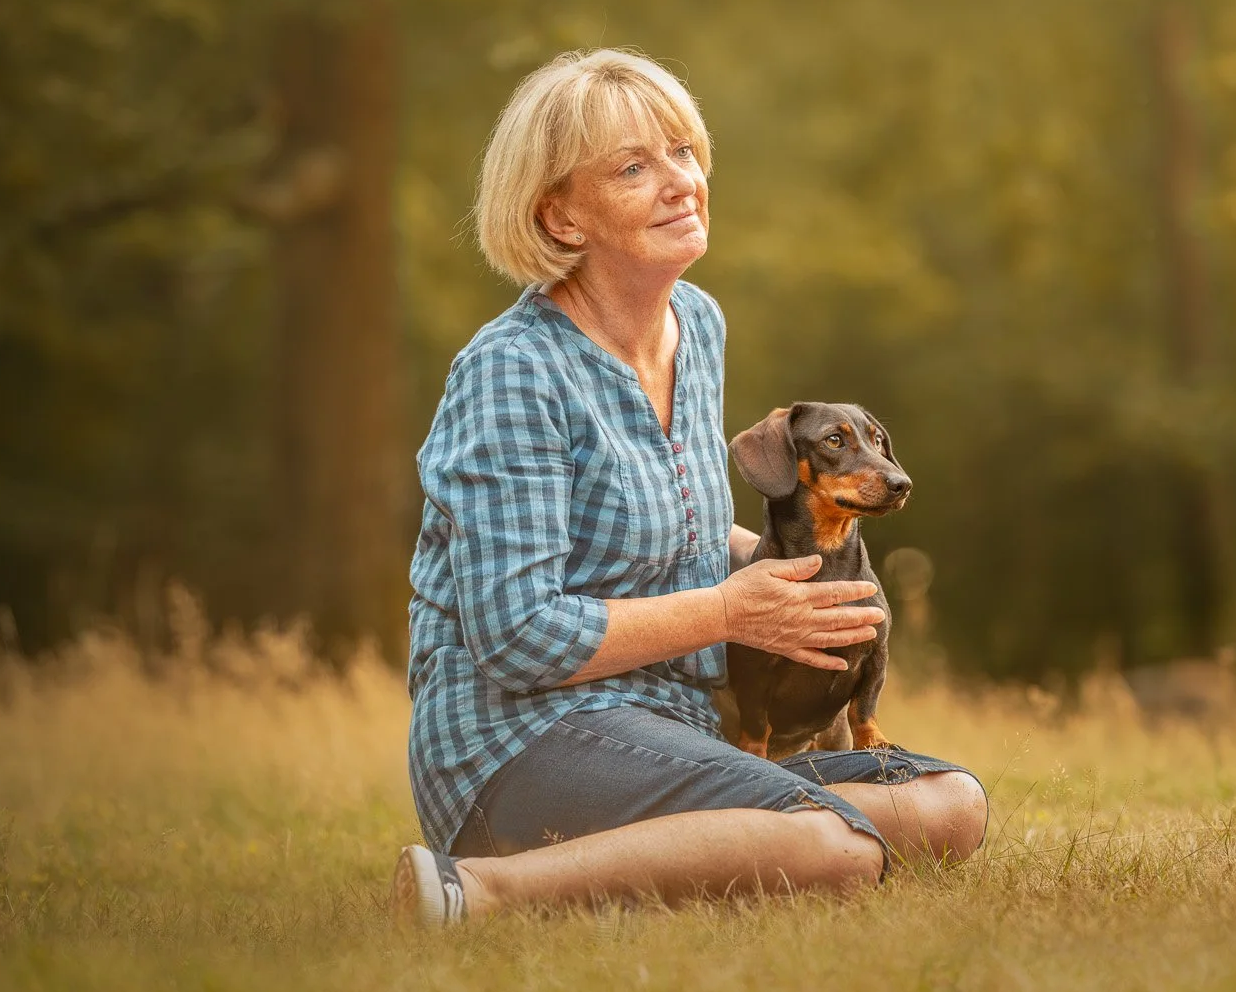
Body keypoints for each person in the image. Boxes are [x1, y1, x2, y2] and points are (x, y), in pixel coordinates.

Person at [391, 48, 987, 927]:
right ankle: (476, 890)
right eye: (635, 167)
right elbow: (514, 633)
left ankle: (723, 831)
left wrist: (800, 577)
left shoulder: (695, 324)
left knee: (950, 804)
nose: (680, 182)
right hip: (516, 743)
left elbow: (679, 530)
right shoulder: (511, 372)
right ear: (559, 217)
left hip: (668, 717)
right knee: (838, 847)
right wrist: (729, 614)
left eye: (682, 152)